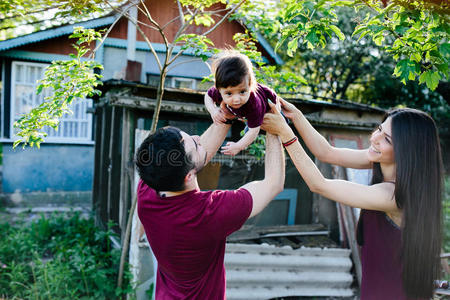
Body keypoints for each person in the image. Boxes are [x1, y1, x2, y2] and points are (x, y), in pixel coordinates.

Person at [262, 99, 443, 300]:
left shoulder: (393, 196)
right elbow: (326, 152)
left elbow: (319, 184)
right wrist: (295, 115)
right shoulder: (379, 159)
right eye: (379, 129)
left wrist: (285, 133)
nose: (375, 138)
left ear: (407, 152)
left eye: (387, 139)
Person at [135, 121, 285, 299]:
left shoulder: (148, 188)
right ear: (189, 176)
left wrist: (224, 116)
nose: (199, 138)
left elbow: (191, 160)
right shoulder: (208, 212)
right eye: (195, 144)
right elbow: (273, 184)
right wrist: (274, 126)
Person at [204, 50, 280, 156]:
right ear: (219, 89)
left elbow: (254, 131)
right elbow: (208, 96)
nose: (236, 99)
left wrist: (238, 146)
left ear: (250, 85)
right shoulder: (220, 90)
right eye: (229, 94)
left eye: (242, 92)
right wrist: (213, 110)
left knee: (274, 132)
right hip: (245, 115)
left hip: (270, 108)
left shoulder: (254, 104)